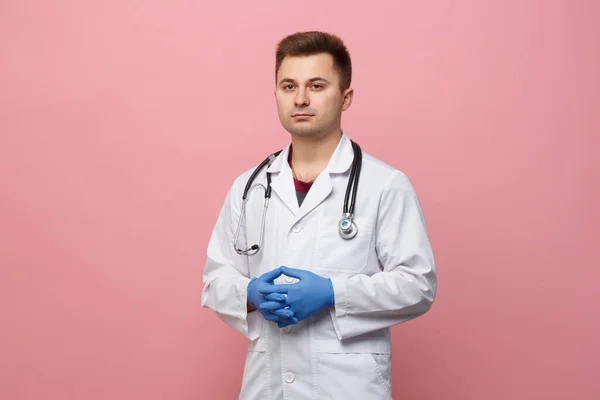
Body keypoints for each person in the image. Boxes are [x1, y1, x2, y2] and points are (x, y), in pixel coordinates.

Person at [201, 31, 437, 400]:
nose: (300, 98)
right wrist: (248, 293)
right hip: (268, 386)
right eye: (288, 85)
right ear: (276, 94)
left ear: (346, 97)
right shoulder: (248, 188)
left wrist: (332, 294)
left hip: (348, 387)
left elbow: (417, 285)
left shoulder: (385, 185)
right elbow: (215, 280)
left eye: (316, 85)